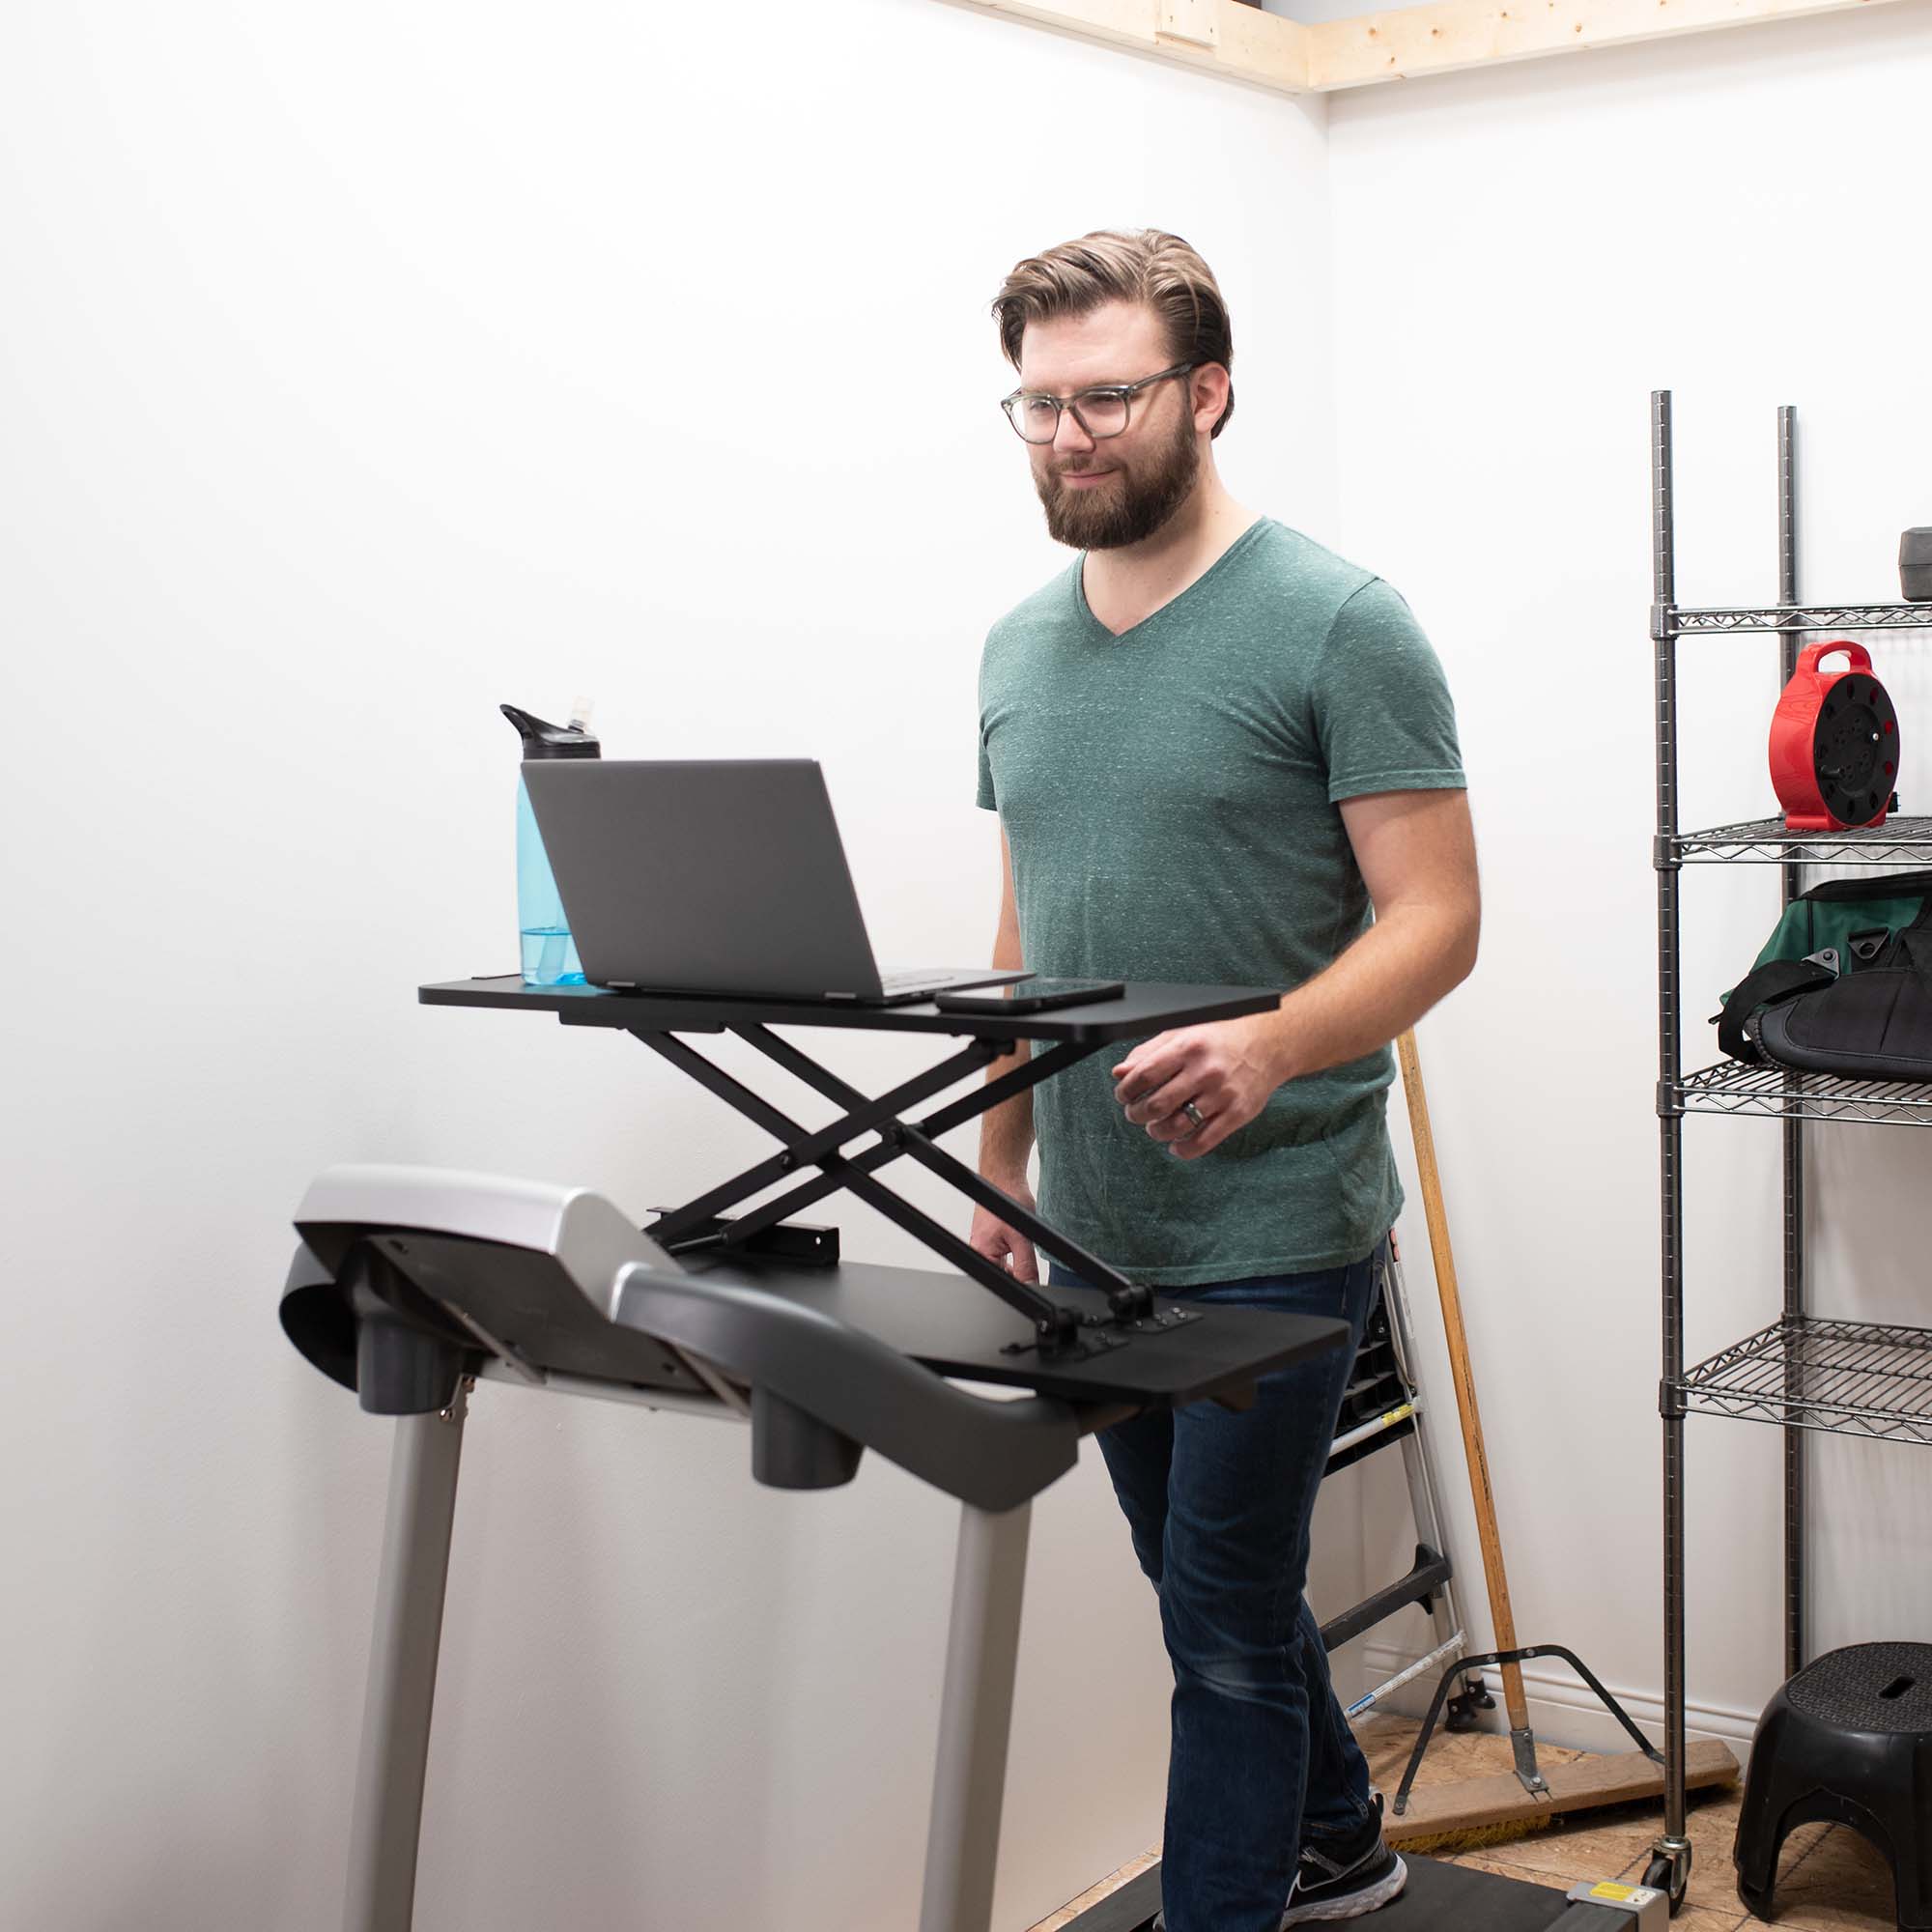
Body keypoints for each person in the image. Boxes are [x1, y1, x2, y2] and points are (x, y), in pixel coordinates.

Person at [968, 229, 1479, 1932]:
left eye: (1104, 397)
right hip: (1097, 1227)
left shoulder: (1338, 623)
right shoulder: (1016, 651)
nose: (1068, 437)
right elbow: (1030, 918)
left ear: (1207, 390)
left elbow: (1439, 919)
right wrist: (1001, 1165)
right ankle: (1336, 1836)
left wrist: (1272, 1041)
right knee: (1208, 1599)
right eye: (1037, 406)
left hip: (1277, 1211)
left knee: (1223, 1619)